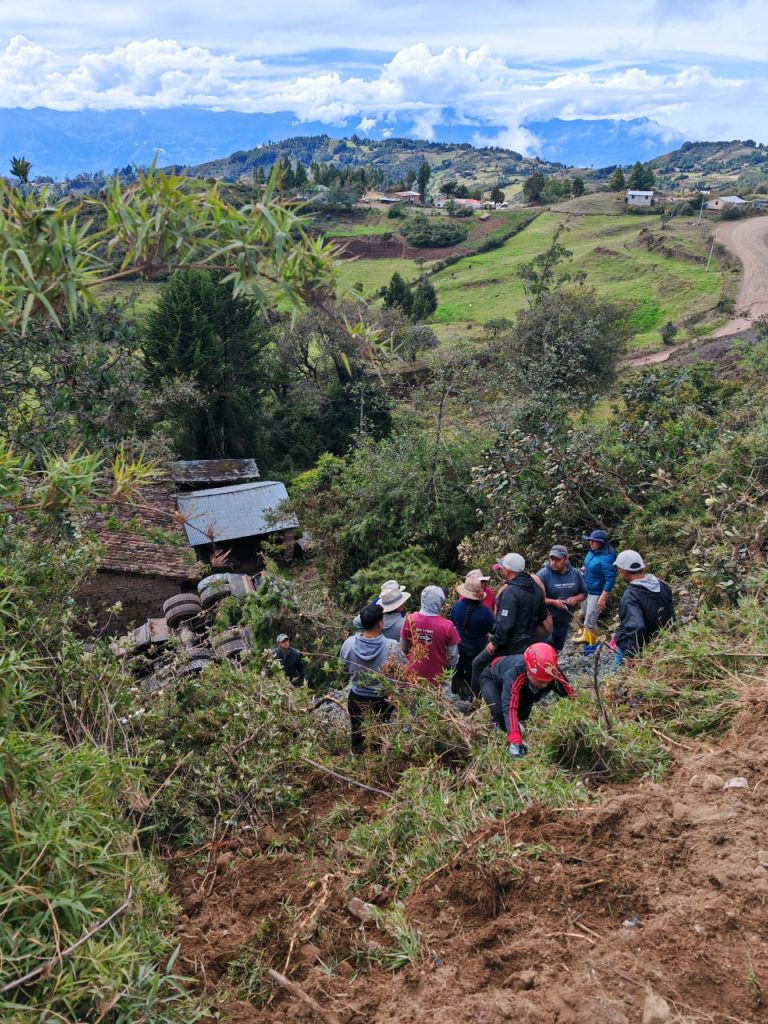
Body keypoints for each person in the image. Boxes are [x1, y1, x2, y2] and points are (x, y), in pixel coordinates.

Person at [470, 553, 549, 696]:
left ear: (507, 570)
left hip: (508, 643)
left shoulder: (511, 592)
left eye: (502, 567)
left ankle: (476, 700)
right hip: (527, 642)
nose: (501, 570)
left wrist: (494, 643)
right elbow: (543, 615)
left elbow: (505, 624)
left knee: (478, 664)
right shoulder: (535, 588)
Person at [478, 642, 574, 756]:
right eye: (540, 681)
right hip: (493, 678)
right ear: (528, 672)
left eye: (547, 681)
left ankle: (519, 727)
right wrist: (515, 741)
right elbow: (510, 708)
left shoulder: (551, 671)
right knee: (499, 711)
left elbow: (570, 694)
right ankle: (504, 728)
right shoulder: (515, 674)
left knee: (523, 711)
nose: (544, 685)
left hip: (525, 685)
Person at [340, 604, 407, 752]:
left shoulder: (349, 644)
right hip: (382, 700)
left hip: (356, 697)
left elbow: (344, 668)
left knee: (357, 732)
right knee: (378, 734)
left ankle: (357, 761)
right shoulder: (392, 647)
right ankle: (375, 760)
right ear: (380, 623)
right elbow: (402, 674)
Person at [612, 550, 675, 668]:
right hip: (660, 645)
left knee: (615, 682)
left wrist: (630, 655)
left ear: (623, 571)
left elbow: (637, 626)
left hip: (636, 649)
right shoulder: (662, 585)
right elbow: (671, 616)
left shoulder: (631, 596)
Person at [401, 585, 461, 685]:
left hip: (413, 675)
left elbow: (403, 647)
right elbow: (453, 657)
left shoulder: (410, 619)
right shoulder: (447, 626)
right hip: (437, 678)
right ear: (440, 602)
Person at [450, 572, 495, 698]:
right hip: (477, 648)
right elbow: (492, 629)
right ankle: (471, 697)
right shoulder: (484, 612)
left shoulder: (457, 606)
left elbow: (452, 622)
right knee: (473, 673)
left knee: (458, 671)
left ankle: (455, 692)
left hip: (459, 646)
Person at [536, 545, 586, 653]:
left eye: (557, 559)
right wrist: (554, 602)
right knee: (544, 650)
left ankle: (553, 667)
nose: (553, 562)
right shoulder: (542, 575)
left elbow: (584, 593)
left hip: (564, 620)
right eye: (551, 559)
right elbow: (535, 599)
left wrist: (575, 598)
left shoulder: (575, 574)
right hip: (546, 622)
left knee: (557, 649)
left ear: (566, 559)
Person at [576, 529, 617, 650]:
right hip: (586, 588)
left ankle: (595, 644)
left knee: (590, 621)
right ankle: (587, 636)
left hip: (597, 592)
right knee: (585, 615)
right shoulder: (592, 552)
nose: (591, 543)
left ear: (602, 543)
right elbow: (588, 565)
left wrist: (603, 597)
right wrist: (583, 569)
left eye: (594, 541)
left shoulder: (607, 557)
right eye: (590, 540)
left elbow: (610, 579)